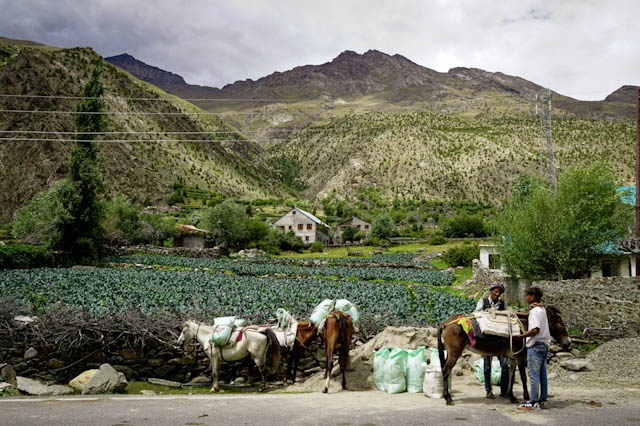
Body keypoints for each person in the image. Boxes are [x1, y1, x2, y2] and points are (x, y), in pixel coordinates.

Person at [514, 286, 551, 410]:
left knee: (534, 375)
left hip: (535, 345)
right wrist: (515, 313)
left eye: (528, 295)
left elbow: (535, 330)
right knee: (542, 374)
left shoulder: (535, 312)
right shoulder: (541, 309)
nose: (526, 297)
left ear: (533, 297)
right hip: (544, 345)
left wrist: (521, 336)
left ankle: (533, 401)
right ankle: (543, 399)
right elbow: (527, 314)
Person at [474, 281, 509, 399]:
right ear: (491, 291)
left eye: (499, 292)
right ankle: (488, 391)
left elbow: (507, 317)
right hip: (486, 340)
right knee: (487, 366)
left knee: (505, 365)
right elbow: (476, 314)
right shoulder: (483, 302)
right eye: (495, 291)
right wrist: (486, 312)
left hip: (500, 341)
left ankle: (504, 391)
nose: (497, 294)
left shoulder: (503, 304)